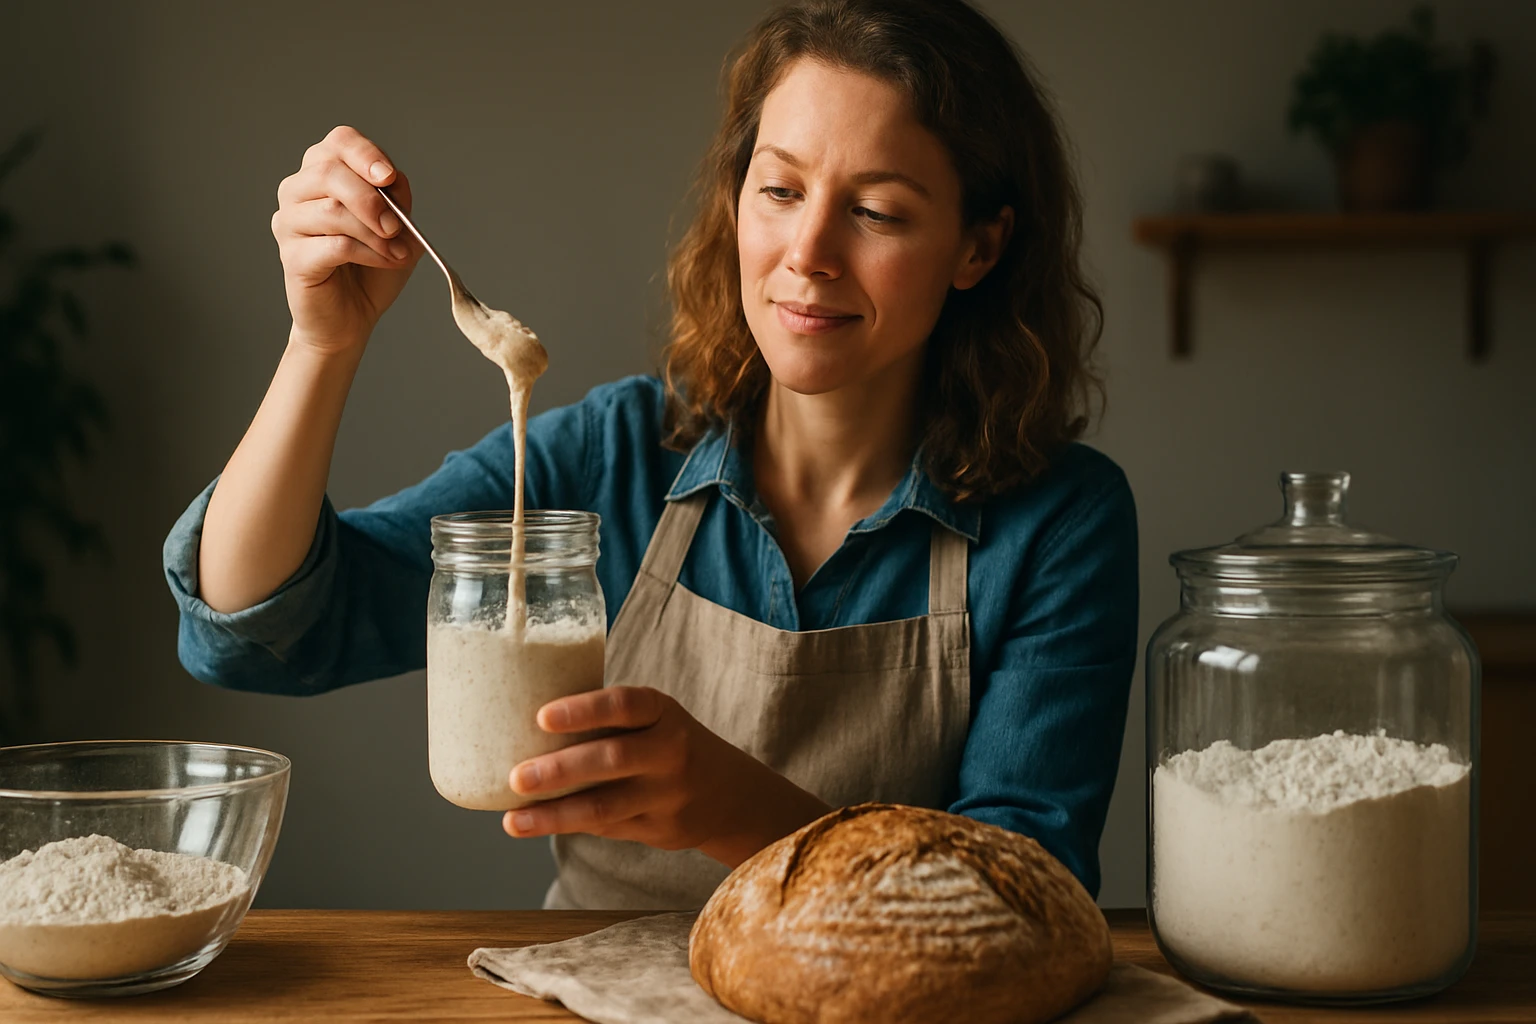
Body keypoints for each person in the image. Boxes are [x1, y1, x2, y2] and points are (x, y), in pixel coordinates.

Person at [164, 0, 1138, 911]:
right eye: (781, 189)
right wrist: (322, 344)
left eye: (876, 211)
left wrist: (741, 811)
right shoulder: (617, 456)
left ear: (978, 246)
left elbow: (1026, 905)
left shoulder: (1058, 521)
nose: (808, 252)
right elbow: (262, 628)